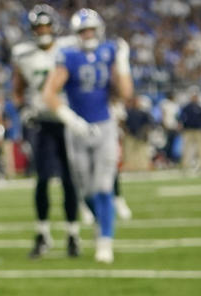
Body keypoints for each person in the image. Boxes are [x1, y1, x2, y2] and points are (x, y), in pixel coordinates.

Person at [42, 8, 133, 264]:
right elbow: (49, 94)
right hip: (77, 130)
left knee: (104, 187)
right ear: (76, 34)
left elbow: (125, 92)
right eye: (83, 31)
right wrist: (71, 119)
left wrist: (123, 63)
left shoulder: (108, 52)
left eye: (91, 29)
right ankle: (100, 224)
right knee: (86, 190)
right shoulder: (68, 56)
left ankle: (105, 241)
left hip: (104, 126)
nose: (88, 34)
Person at [12, 4, 80, 259]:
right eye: (38, 27)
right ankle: (42, 234)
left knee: (69, 179)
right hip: (41, 122)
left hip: (67, 120)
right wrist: (22, 109)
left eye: (46, 26)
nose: (42, 31)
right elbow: (17, 89)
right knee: (41, 180)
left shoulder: (69, 49)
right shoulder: (23, 54)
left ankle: (73, 234)